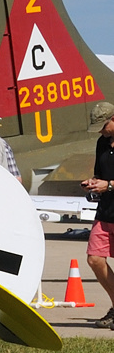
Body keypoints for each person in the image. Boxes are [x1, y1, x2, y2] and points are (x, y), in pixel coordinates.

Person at [79, 102, 114, 327]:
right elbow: (100, 173)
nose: (101, 131)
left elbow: (108, 182)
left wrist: (109, 186)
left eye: (103, 126)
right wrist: (92, 183)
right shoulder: (101, 143)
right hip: (105, 212)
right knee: (94, 259)